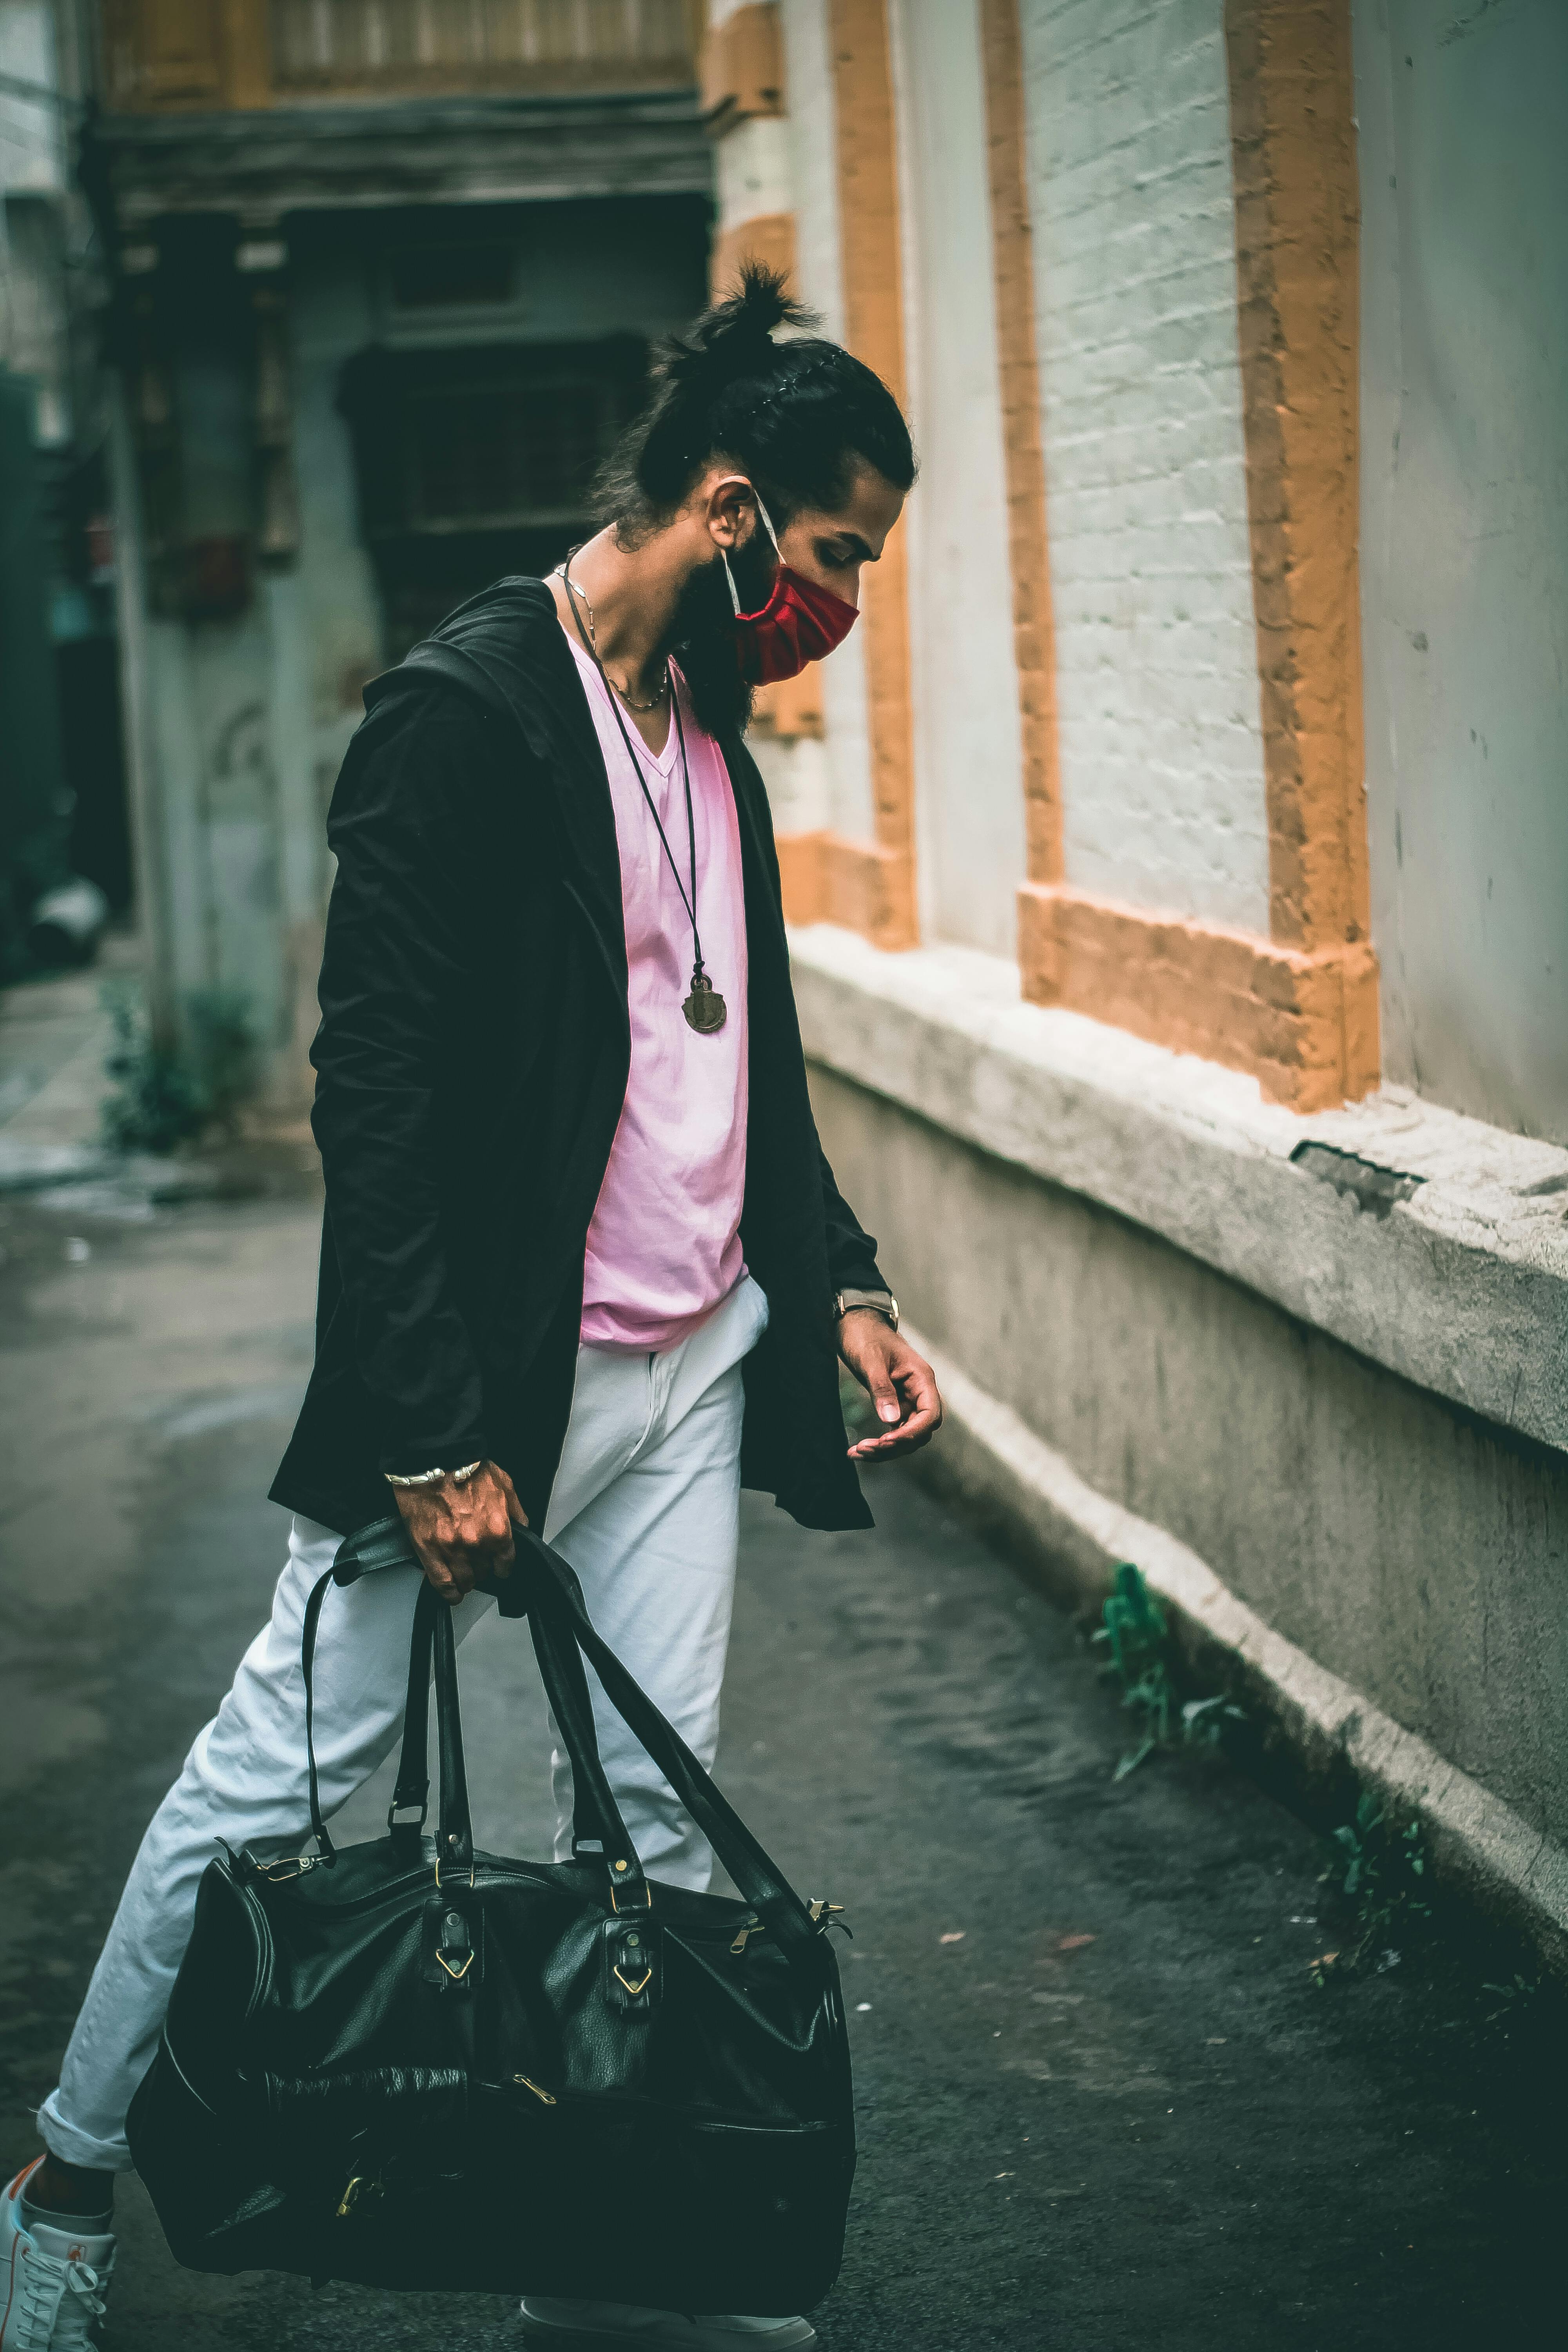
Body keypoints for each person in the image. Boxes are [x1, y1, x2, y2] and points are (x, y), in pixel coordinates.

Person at [1, 267, 941, 2352]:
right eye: (837, 554)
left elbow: (742, 1068)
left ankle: (601, 2269)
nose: (842, 603)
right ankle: (58, 2191)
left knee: (638, 1847)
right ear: (725, 510)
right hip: (494, 1391)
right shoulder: (469, 713)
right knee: (271, 1783)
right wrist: (432, 1428)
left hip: (691, 1371)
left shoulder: (716, 749)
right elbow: (382, 1100)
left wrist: (843, 1281)